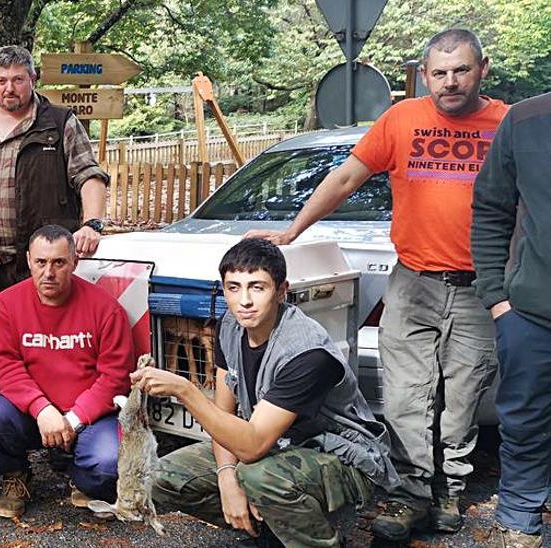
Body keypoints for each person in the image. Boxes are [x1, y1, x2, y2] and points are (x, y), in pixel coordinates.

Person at [244, 28, 508, 541]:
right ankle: (412, 492)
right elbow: (345, 178)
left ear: (483, 69)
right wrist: (292, 230)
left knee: (463, 392)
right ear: (423, 74)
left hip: (483, 285)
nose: (450, 82)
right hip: (412, 280)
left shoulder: (508, 124)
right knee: (407, 394)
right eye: (439, 73)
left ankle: (450, 491)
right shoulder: (402, 119)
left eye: (461, 71)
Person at [135, 238, 397, 547]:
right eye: (234, 288)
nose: (244, 301)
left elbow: (254, 445)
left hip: (341, 455)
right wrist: (226, 477)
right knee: (158, 476)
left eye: (257, 287)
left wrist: (185, 390)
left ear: (282, 290)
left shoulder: (306, 353)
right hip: (273, 444)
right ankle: (271, 531)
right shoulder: (230, 326)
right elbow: (224, 415)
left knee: (260, 478)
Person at [0, 224, 132, 519]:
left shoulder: (105, 309)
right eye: (41, 262)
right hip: (33, 413)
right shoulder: (8, 303)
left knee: (106, 465)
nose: (49, 272)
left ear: (74, 262)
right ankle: (16, 475)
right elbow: (5, 365)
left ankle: (77, 472)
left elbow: (115, 376)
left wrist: (72, 420)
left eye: (59, 262)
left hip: (89, 416)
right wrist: (41, 408)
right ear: (28, 261)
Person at [0, 45, 110, 292]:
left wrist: (92, 224)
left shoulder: (60, 123)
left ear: (33, 78)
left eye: (18, 79)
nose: (9, 88)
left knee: (43, 330)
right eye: (2, 80)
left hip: (43, 262)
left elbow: (89, 175)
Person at [471, 92, 551, 548]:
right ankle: (520, 517)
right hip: (533, 314)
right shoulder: (526, 119)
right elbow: (491, 208)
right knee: (524, 421)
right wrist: (496, 297)